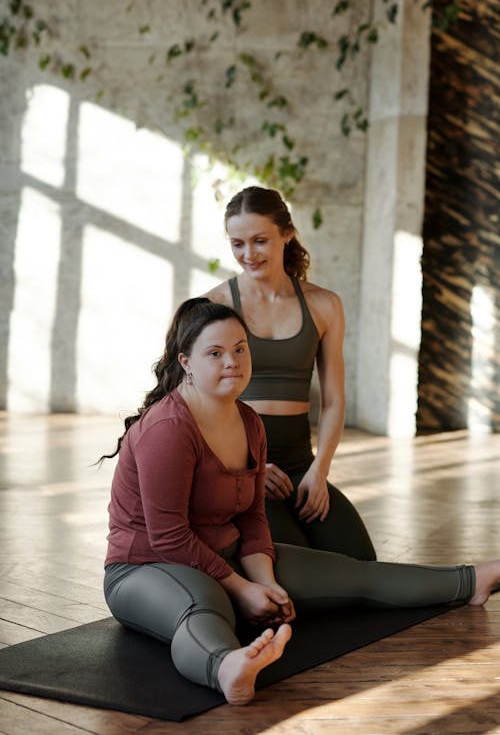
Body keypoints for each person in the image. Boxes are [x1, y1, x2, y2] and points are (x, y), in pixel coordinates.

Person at [102, 298, 500, 706]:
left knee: (352, 573)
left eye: (240, 348)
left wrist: (268, 582)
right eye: (215, 353)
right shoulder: (168, 429)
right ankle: (227, 669)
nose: (233, 362)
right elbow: (168, 538)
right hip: (146, 567)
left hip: (226, 553)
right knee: (205, 605)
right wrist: (242, 588)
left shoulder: (248, 421)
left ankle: (471, 580)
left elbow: (254, 517)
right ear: (185, 361)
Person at [204, 186, 376, 559]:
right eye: (238, 244)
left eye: (260, 240)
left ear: (287, 233)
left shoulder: (324, 305)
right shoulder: (213, 306)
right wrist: (246, 470)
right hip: (242, 470)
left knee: (360, 559)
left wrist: (319, 471)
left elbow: (333, 401)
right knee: (296, 563)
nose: (248, 254)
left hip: (300, 464)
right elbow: (193, 406)